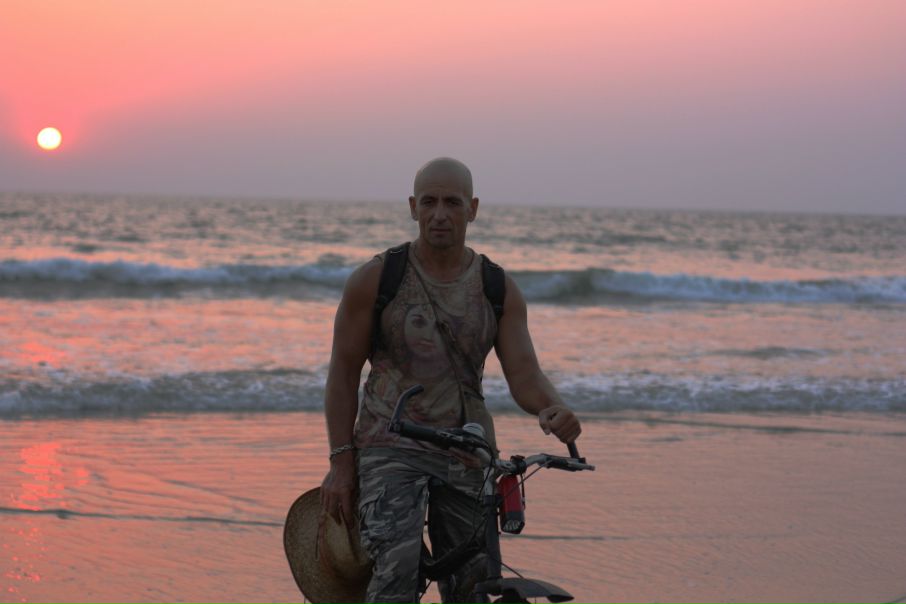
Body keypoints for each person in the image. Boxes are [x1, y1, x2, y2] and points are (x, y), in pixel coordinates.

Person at [319, 157, 582, 603]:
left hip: (468, 450)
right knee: (396, 574)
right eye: (429, 202)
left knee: (472, 583)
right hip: (389, 447)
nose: (439, 214)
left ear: (472, 209)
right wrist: (341, 464)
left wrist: (552, 407)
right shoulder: (377, 279)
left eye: (452, 203)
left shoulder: (496, 287)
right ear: (413, 207)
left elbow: (524, 374)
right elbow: (342, 374)